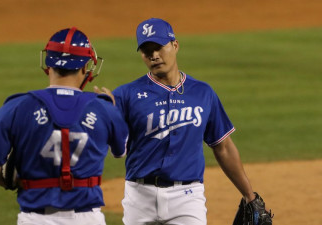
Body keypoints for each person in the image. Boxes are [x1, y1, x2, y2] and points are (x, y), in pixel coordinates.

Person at [113, 18, 270, 225]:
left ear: (175, 45)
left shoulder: (203, 93)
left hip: (187, 197)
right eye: (146, 50)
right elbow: (110, 144)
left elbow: (223, 147)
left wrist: (249, 195)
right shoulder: (126, 94)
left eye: (159, 47)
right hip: (139, 196)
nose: (154, 55)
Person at [0, 27, 128, 225]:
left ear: (47, 63)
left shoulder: (18, 106)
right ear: (86, 67)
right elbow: (120, 150)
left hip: (35, 219)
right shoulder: (104, 108)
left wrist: (6, 182)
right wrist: (113, 111)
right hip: (87, 219)